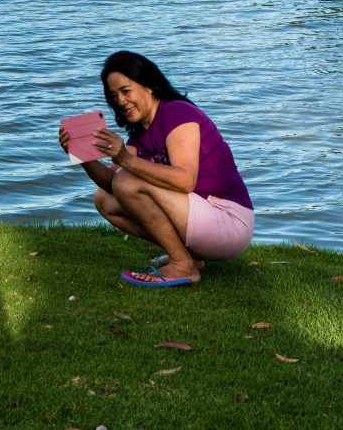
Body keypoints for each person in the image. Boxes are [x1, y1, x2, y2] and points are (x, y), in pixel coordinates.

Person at [59, 51, 254, 287]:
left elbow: (185, 181)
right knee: (104, 200)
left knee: (127, 180)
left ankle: (183, 265)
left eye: (126, 91)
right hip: (201, 219)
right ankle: (188, 257)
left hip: (228, 221)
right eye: (113, 96)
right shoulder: (140, 136)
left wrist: (124, 159)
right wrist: (84, 156)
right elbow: (111, 184)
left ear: (149, 86)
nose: (120, 101)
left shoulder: (177, 113)